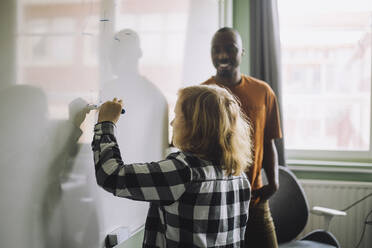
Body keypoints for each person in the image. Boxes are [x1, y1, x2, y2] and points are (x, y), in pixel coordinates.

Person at [92, 85, 252, 247]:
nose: (172, 123)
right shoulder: (238, 175)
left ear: (194, 125)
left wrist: (106, 124)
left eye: (177, 115)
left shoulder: (183, 171)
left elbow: (110, 175)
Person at [202, 27, 282, 248]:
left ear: (242, 52)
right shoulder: (202, 94)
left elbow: (268, 141)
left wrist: (273, 182)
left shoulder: (263, 92)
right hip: (215, 201)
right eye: (216, 50)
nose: (222, 55)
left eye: (230, 49)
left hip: (254, 199)